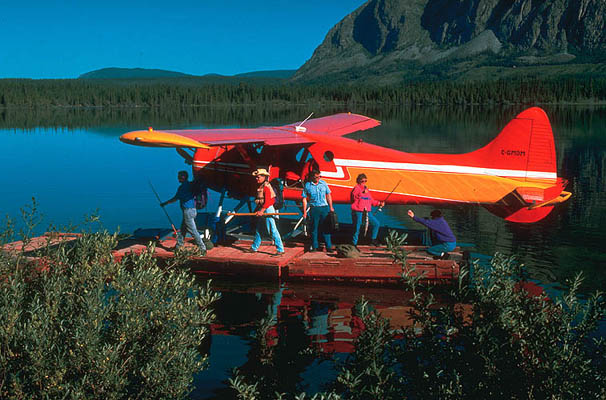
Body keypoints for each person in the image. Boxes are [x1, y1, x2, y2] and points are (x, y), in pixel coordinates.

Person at [160, 170, 207, 256]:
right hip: (193, 210)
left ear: (183, 177)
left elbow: (175, 198)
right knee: (183, 230)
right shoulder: (190, 185)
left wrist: (165, 203)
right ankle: (178, 246)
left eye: (179, 177)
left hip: (187, 211)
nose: (178, 178)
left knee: (193, 231)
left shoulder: (182, 187)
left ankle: (202, 248)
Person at [250, 168, 285, 256]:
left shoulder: (266, 186)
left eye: (258, 177)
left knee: (272, 230)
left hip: (268, 209)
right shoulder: (260, 186)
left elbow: (269, 201)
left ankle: (280, 249)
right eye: (256, 177)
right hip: (263, 208)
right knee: (259, 229)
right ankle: (254, 247)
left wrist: (262, 211)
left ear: (264, 177)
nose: (257, 179)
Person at [302, 169, 334, 252]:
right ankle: (314, 246)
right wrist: (305, 212)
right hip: (314, 208)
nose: (318, 178)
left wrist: (331, 207)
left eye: (320, 176)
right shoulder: (308, 185)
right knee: (314, 228)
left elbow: (328, 195)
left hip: (324, 207)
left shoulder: (323, 184)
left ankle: (328, 246)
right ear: (312, 177)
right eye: (316, 177)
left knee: (326, 227)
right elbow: (304, 198)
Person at [351, 173, 384, 247]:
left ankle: (373, 240)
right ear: (358, 181)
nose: (364, 183)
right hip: (358, 211)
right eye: (362, 181)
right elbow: (354, 197)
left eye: (365, 181)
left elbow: (371, 200)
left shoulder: (366, 190)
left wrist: (379, 203)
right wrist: (362, 193)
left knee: (376, 223)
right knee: (357, 227)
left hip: (367, 211)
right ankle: (354, 244)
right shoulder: (356, 188)